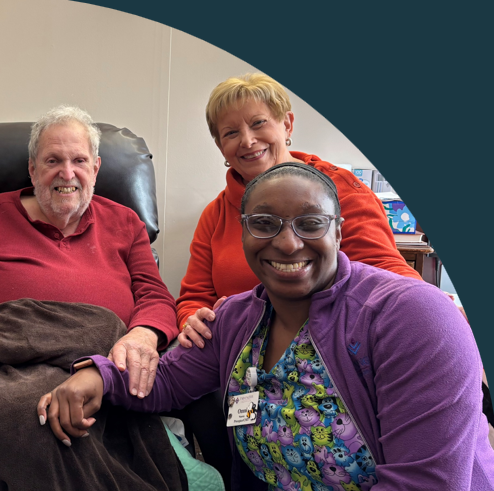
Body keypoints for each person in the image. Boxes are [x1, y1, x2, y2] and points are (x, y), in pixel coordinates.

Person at [39, 164, 494, 490]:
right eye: (264, 223)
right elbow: (169, 381)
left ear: (339, 232)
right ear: (242, 232)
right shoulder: (236, 317)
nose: (287, 241)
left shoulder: (412, 317)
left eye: (310, 223)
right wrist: (97, 374)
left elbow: (426, 482)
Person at [172, 73, 430, 486]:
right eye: (231, 132)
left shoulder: (338, 189)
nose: (247, 140)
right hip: (245, 359)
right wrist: (192, 319)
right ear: (221, 147)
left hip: (332, 354)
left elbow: (391, 275)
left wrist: (434, 321)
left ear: (286, 125)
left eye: (259, 123)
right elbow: (194, 294)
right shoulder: (215, 213)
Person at [0, 104, 176, 400]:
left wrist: (144, 333)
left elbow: (156, 297)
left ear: (95, 169)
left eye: (79, 160)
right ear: (32, 169)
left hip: (88, 375)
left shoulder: (126, 222)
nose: (67, 174)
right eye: (52, 160)